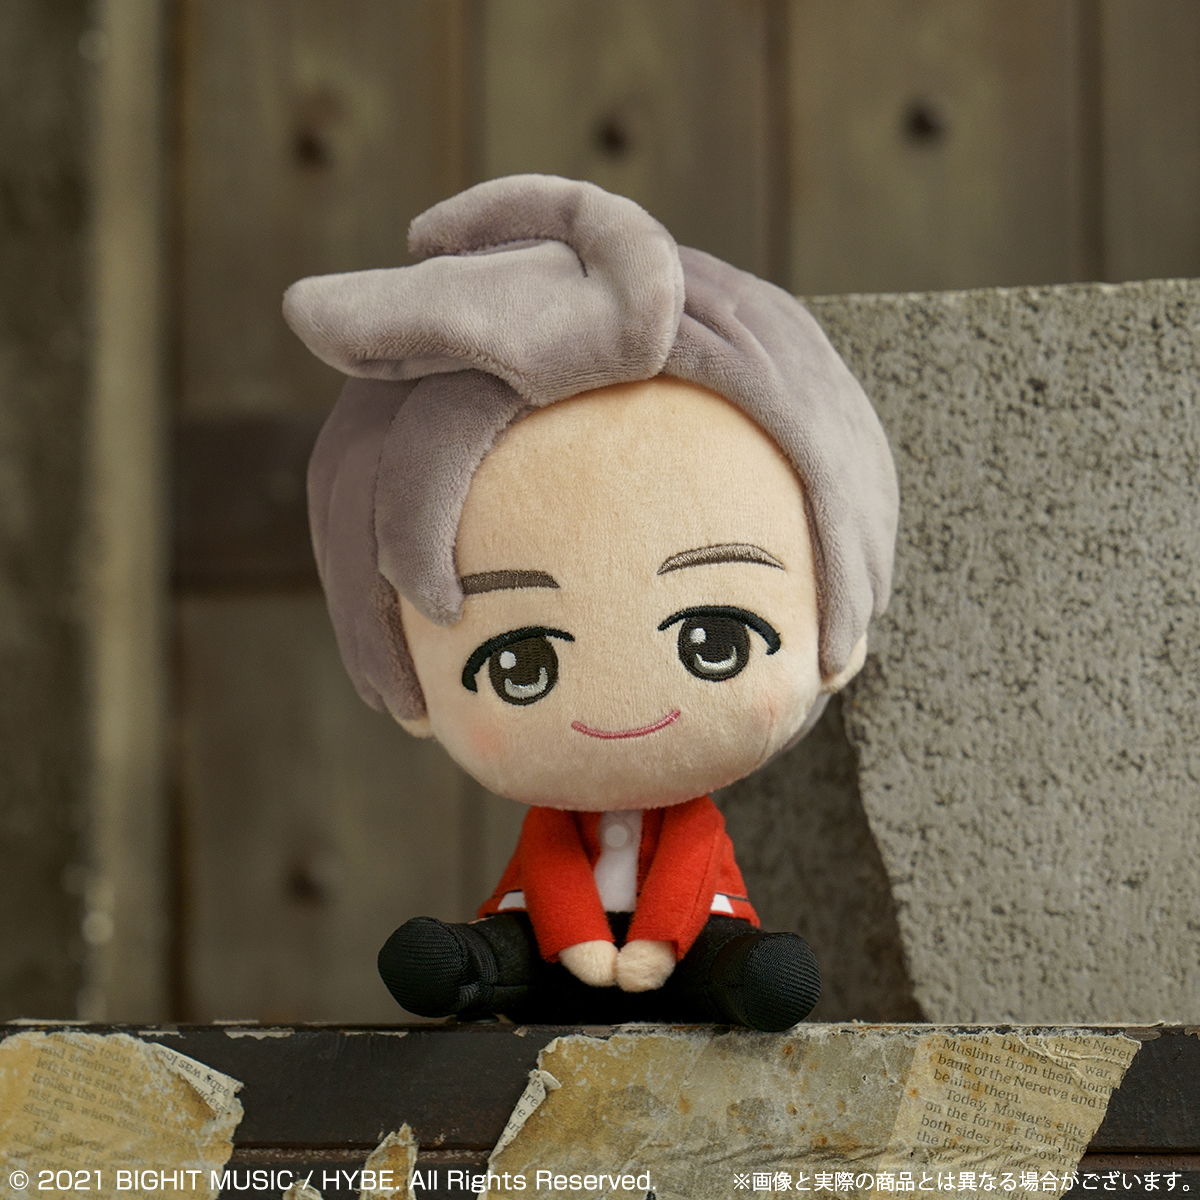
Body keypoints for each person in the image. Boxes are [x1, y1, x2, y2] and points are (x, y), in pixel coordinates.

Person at [284, 175, 898, 1030]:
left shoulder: (689, 826)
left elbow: (692, 867)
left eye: (714, 641)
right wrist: (579, 943)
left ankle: (741, 979)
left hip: (683, 943)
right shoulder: (553, 831)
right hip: (553, 943)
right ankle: (471, 969)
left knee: (741, 962)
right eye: (520, 662)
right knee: (503, 947)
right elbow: (548, 865)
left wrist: (652, 949)